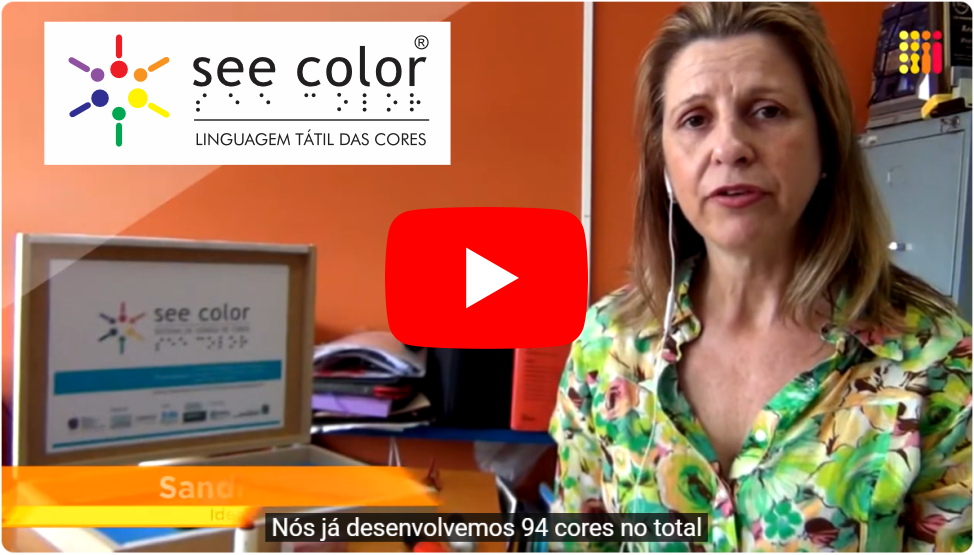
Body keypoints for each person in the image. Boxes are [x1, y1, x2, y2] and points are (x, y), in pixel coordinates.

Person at [548, 2, 972, 552]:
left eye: (767, 111)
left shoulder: (939, 366)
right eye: (695, 120)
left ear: (826, 141)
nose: (729, 147)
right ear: (664, 163)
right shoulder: (606, 348)